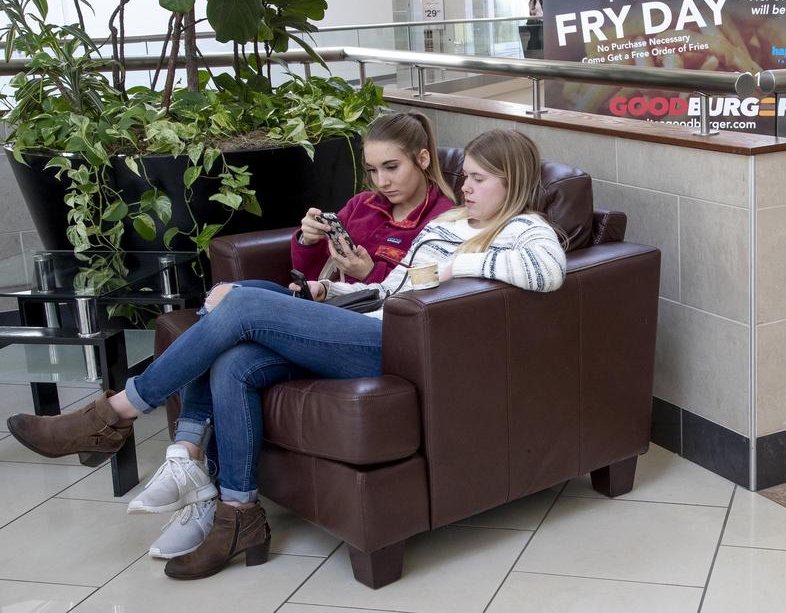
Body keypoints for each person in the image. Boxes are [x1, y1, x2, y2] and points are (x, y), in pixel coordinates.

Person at [5, 129, 568, 580]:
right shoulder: (447, 223)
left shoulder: (524, 230)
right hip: (371, 322)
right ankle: (239, 515)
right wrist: (332, 291)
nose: (464, 188)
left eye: (476, 179)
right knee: (235, 359)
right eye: (463, 176)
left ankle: (114, 416)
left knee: (243, 306)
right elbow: (392, 287)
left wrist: (455, 266)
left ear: (509, 181)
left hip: (405, 348)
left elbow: (549, 273)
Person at [292, 112, 458, 285]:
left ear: (423, 159)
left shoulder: (444, 221)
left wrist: (369, 274)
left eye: (391, 167)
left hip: (363, 311)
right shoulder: (360, 204)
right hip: (321, 302)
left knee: (261, 298)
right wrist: (309, 241)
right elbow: (307, 277)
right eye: (372, 170)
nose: (381, 182)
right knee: (261, 289)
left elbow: (426, 294)